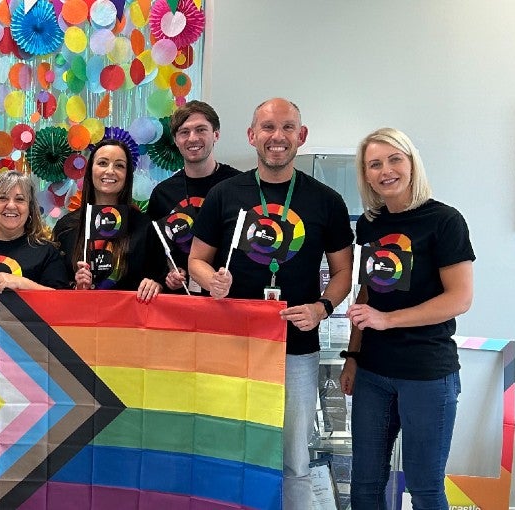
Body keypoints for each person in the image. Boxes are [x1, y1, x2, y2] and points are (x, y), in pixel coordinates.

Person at [188, 98, 354, 510]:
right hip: (233, 343)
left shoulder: (326, 201)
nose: (276, 137)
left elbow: (344, 273)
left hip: (296, 348)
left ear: (302, 136)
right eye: (266, 127)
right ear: (251, 136)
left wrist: (321, 308)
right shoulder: (224, 194)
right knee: (230, 448)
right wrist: (213, 283)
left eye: (287, 127)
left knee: (294, 457)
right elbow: (196, 261)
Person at [340, 128, 474, 509]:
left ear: (412, 162)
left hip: (427, 374)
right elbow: (366, 293)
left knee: (424, 487)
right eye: (375, 164)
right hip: (372, 374)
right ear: (366, 175)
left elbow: (460, 298)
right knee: (364, 485)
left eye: (394, 159)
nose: (386, 170)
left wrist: (389, 320)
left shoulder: (445, 221)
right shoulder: (370, 224)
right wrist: (352, 356)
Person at [53, 139, 166, 301]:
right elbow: (55, 286)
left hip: (130, 321)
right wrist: (76, 287)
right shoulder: (66, 226)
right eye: (102, 163)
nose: (110, 171)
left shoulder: (145, 226)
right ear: (90, 170)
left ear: (127, 175)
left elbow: (161, 278)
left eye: (119, 165)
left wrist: (156, 285)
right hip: (79, 321)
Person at [147, 100, 240, 294]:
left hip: (232, 298)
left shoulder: (239, 185)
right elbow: (158, 250)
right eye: (184, 132)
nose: (192, 138)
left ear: (216, 134)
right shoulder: (163, 193)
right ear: (175, 140)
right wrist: (170, 272)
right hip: (184, 301)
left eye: (201, 130)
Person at [0, 170, 67, 292]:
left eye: (19, 199)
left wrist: (22, 283)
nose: (11, 205)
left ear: (30, 208)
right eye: (3, 198)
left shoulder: (46, 252)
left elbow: (61, 303)